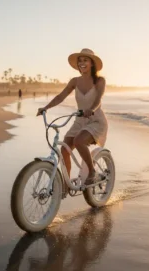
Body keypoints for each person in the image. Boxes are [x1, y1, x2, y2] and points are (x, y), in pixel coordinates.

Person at [37, 48, 107, 185]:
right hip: (79, 120)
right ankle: (66, 183)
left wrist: (91, 109)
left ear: (92, 63)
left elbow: (98, 99)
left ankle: (92, 172)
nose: (82, 63)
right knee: (64, 149)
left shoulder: (100, 81)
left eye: (85, 60)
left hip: (95, 120)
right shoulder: (75, 81)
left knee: (79, 141)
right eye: (80, 61)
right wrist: (45, 108)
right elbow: (60, 96)